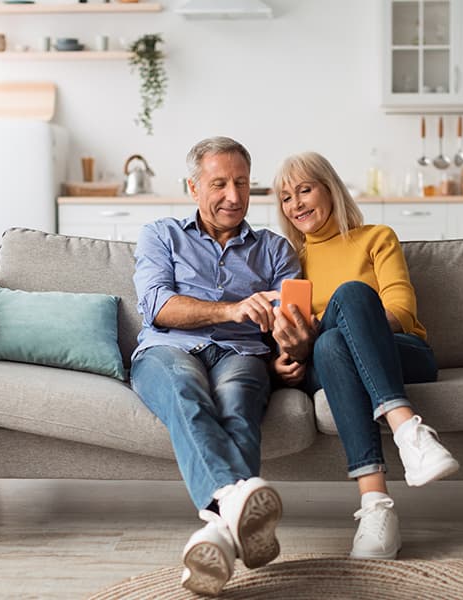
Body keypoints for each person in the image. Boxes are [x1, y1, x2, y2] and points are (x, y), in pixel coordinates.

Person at [130, 136, 300, 596]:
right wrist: (231, 310)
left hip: (242, 354)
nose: (233, 196)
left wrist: (290, 349)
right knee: (186, 393)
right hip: (170, 348)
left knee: (238, 403)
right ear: (193, 187)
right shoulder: (161, 235)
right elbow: (158, 307)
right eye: (219, 183)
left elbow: (290, 319)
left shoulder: (275, 250)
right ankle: (231, 499)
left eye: (242, 183)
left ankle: (217, 536)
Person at [270, 151, 459, 561]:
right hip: (323, 364)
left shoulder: (377, 237)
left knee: (350, 301)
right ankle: (406, 446)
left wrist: (338, 322)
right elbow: (286, 332)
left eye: (305, 190)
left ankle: (381, 500)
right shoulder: (290, 261)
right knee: (329, 344)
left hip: (402, 353)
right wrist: (280, 359)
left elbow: (403, 314)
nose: (296, 204)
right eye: (286, 197)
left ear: (330, 189)